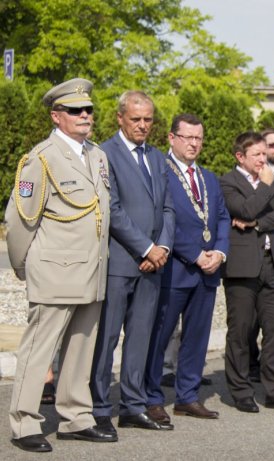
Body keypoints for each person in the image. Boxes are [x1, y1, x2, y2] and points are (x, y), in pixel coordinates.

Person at [6, 78, 114, 452]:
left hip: (90, 270)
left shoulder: (97, 156)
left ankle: (75, 418)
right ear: (57, 116)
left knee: (81, 348)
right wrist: (25, 268)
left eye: (88, 110)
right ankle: (24, 423)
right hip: (54, 270)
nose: (84, 116)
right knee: (39, 351)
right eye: (74, 111)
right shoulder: (41, 158)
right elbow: (20, 221)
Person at [90, 90, 175, 433]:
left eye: (148, 120)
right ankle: (97, 407)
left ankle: (132, 405)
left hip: (153, 266)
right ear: (120, 118)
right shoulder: (103, 155)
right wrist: (146, 248)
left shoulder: (156, 158)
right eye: (136, 119)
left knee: (139, 338)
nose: (143, 126)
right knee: (106, 339)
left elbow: (168, 206)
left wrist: (163, 248)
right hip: (119, 263)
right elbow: (112, 209)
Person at [144, 114, 230, 421]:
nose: (194, 144)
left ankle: (188, 395)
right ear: (171, 138)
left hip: (207, 273)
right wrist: (195, 254)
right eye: (188, 137)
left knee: (197, 336)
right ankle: (151, 396)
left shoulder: (207, 177)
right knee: (160, 335)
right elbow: (164, 221)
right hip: (175, 270)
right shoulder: (160, 172)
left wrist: (219, 251)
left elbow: (222, 217)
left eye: (198, 138)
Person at [220, 132, 274, 413]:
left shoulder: (271, 181)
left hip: (272, 264)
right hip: (242, 267)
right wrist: (264, 191)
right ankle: (241, 390)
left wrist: (255, 223)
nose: (262, 159)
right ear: (240, 157)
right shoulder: (228, 182)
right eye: (256, 154)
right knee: (241, 331)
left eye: (263, 153)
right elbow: (243, 208)